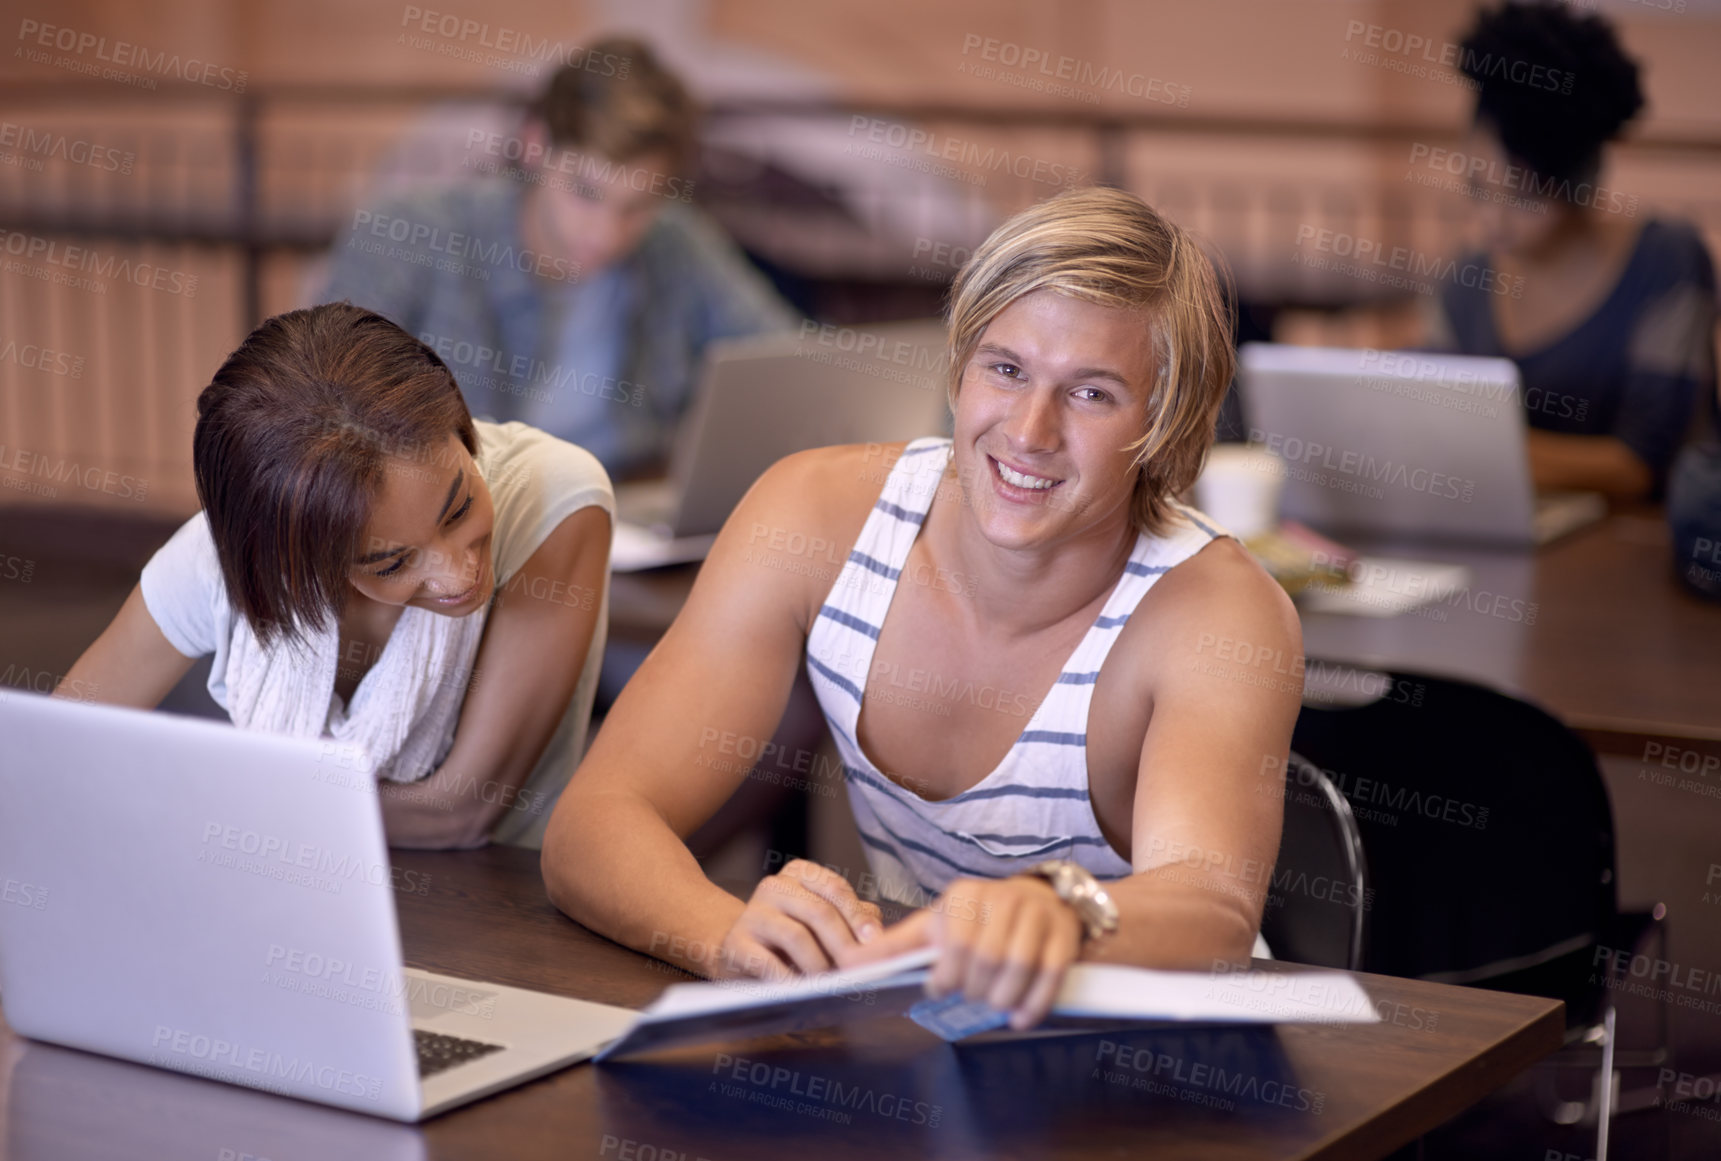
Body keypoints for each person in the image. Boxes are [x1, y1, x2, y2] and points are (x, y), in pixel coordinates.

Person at [541, 187, 1301, 1030]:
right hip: (936, 1038)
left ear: (1162, 420)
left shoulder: (1221, 613)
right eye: (1005, 369)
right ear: (959, 367)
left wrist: (1066, 910)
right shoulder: (810, 515)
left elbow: (1213, 907)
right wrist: (735, 939)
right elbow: (594, 822)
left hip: (1158, 1063)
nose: (1029, 430)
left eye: (1090, 393)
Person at [57, 303, 613, 849]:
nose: (458, 573)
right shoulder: (230, 557)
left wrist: (211, 807)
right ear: (299, 561)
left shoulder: (554, 498)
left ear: (461, 430)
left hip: (499, 906)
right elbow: (59, 752)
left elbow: (458, 812)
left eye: (460, 507)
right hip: (274, 886)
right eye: (392, 562)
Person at [321, 35, 799, 481]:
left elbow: (787, 357)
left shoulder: (676, 241)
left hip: (622, 510)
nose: (607, 233)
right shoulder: (411, 232)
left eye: (637, 207)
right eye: (586, 193)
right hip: (460, 518)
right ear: (536, 146)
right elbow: (324, 404)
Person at [1428, 1, 1718, 501]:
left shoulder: (1666, 262)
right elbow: (1431, 416)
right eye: (1477, 186)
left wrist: (1467, 449)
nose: (1492, 219)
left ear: (1582, 185)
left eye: (1523, 196)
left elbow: (1640, 463)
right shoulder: (1465, 281)